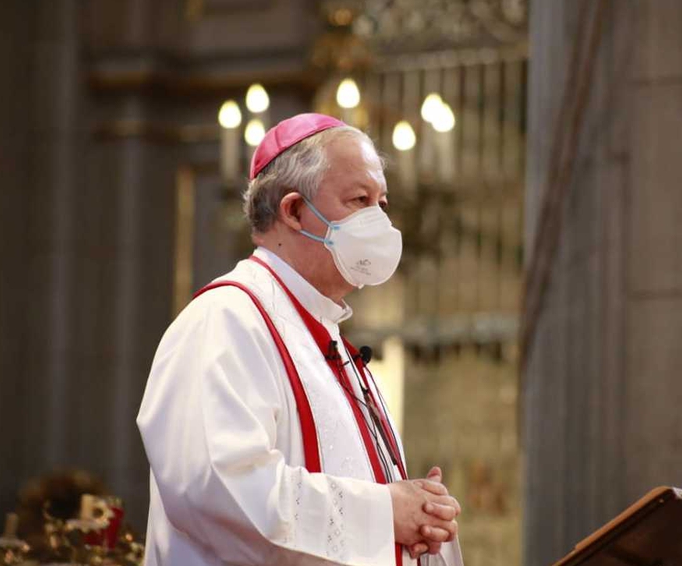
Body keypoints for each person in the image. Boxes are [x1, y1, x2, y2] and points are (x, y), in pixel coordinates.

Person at [137, 113, 464, 566]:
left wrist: (424, 517)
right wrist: (387, 512)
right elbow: (221, 489)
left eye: (382, 204)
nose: (379, 221)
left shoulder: (330, 343)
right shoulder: (225, 321)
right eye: (360, 200)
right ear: (293, 211)